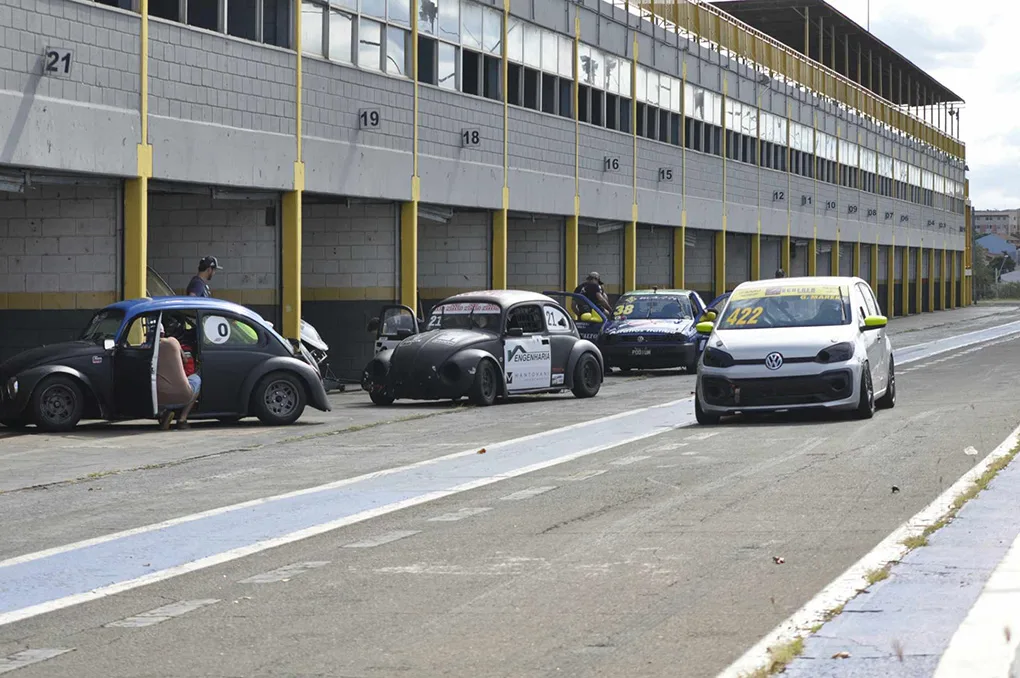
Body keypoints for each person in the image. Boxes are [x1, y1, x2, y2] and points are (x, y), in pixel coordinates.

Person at [156, 326, 202, 431]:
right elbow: (185, 360)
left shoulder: (146, 348)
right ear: (164, 333)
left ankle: (163, 414)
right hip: (182, 397)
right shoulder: (173, 341)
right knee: (197, 379)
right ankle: (182, 419)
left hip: (158, 400)